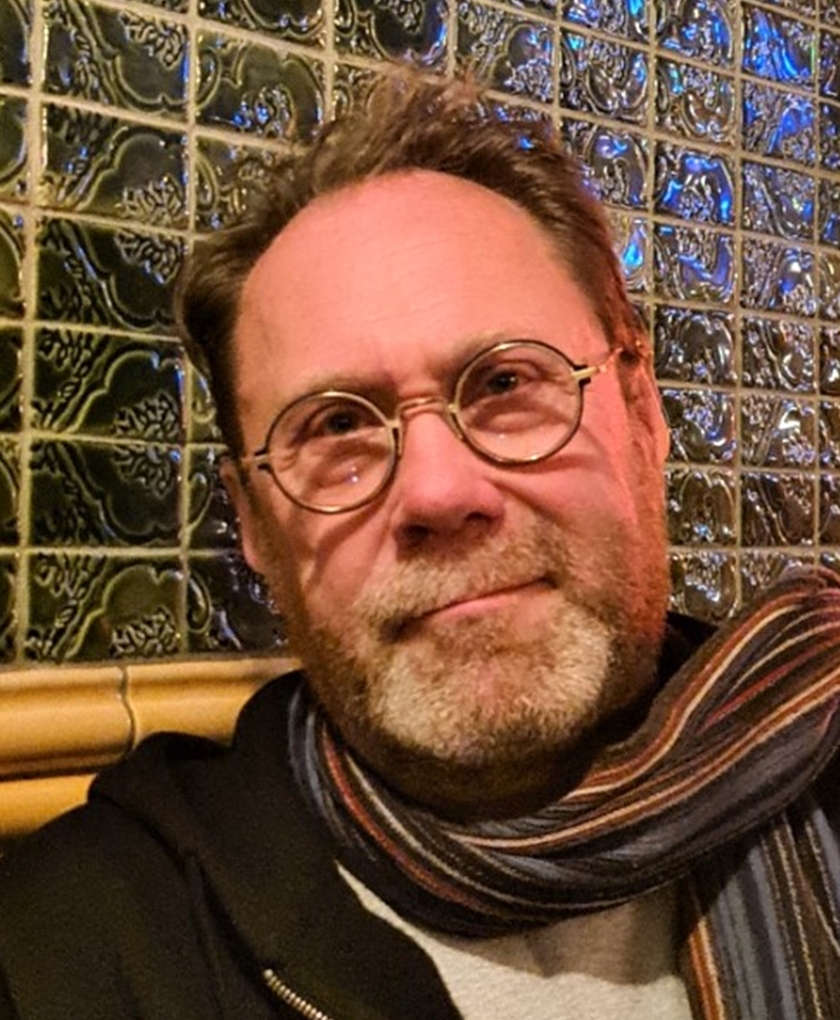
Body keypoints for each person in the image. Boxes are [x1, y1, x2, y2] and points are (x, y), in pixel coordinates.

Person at [1, 72, 839, 1020]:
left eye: (505, 383)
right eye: (335, 427)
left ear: (644, 413)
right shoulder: (76, 947)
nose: (440, 492)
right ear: (255, 525)